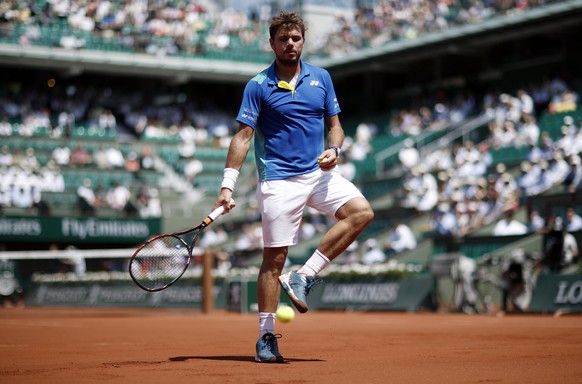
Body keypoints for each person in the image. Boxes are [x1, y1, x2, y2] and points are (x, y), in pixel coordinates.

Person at [213, 11, 373, 364]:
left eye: (296, 38)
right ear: (272, 43)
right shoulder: (257, 85)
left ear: (303, 41)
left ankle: (303, 276)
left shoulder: (322, 78)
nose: (290, 44)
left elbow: (335, 126)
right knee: (274, 258)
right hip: (279, 179)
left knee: (362, 212)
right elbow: (243, 137)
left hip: (318, 174)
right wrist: (228, 184)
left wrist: (335, 149)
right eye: (283, 39)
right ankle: (266, 337)